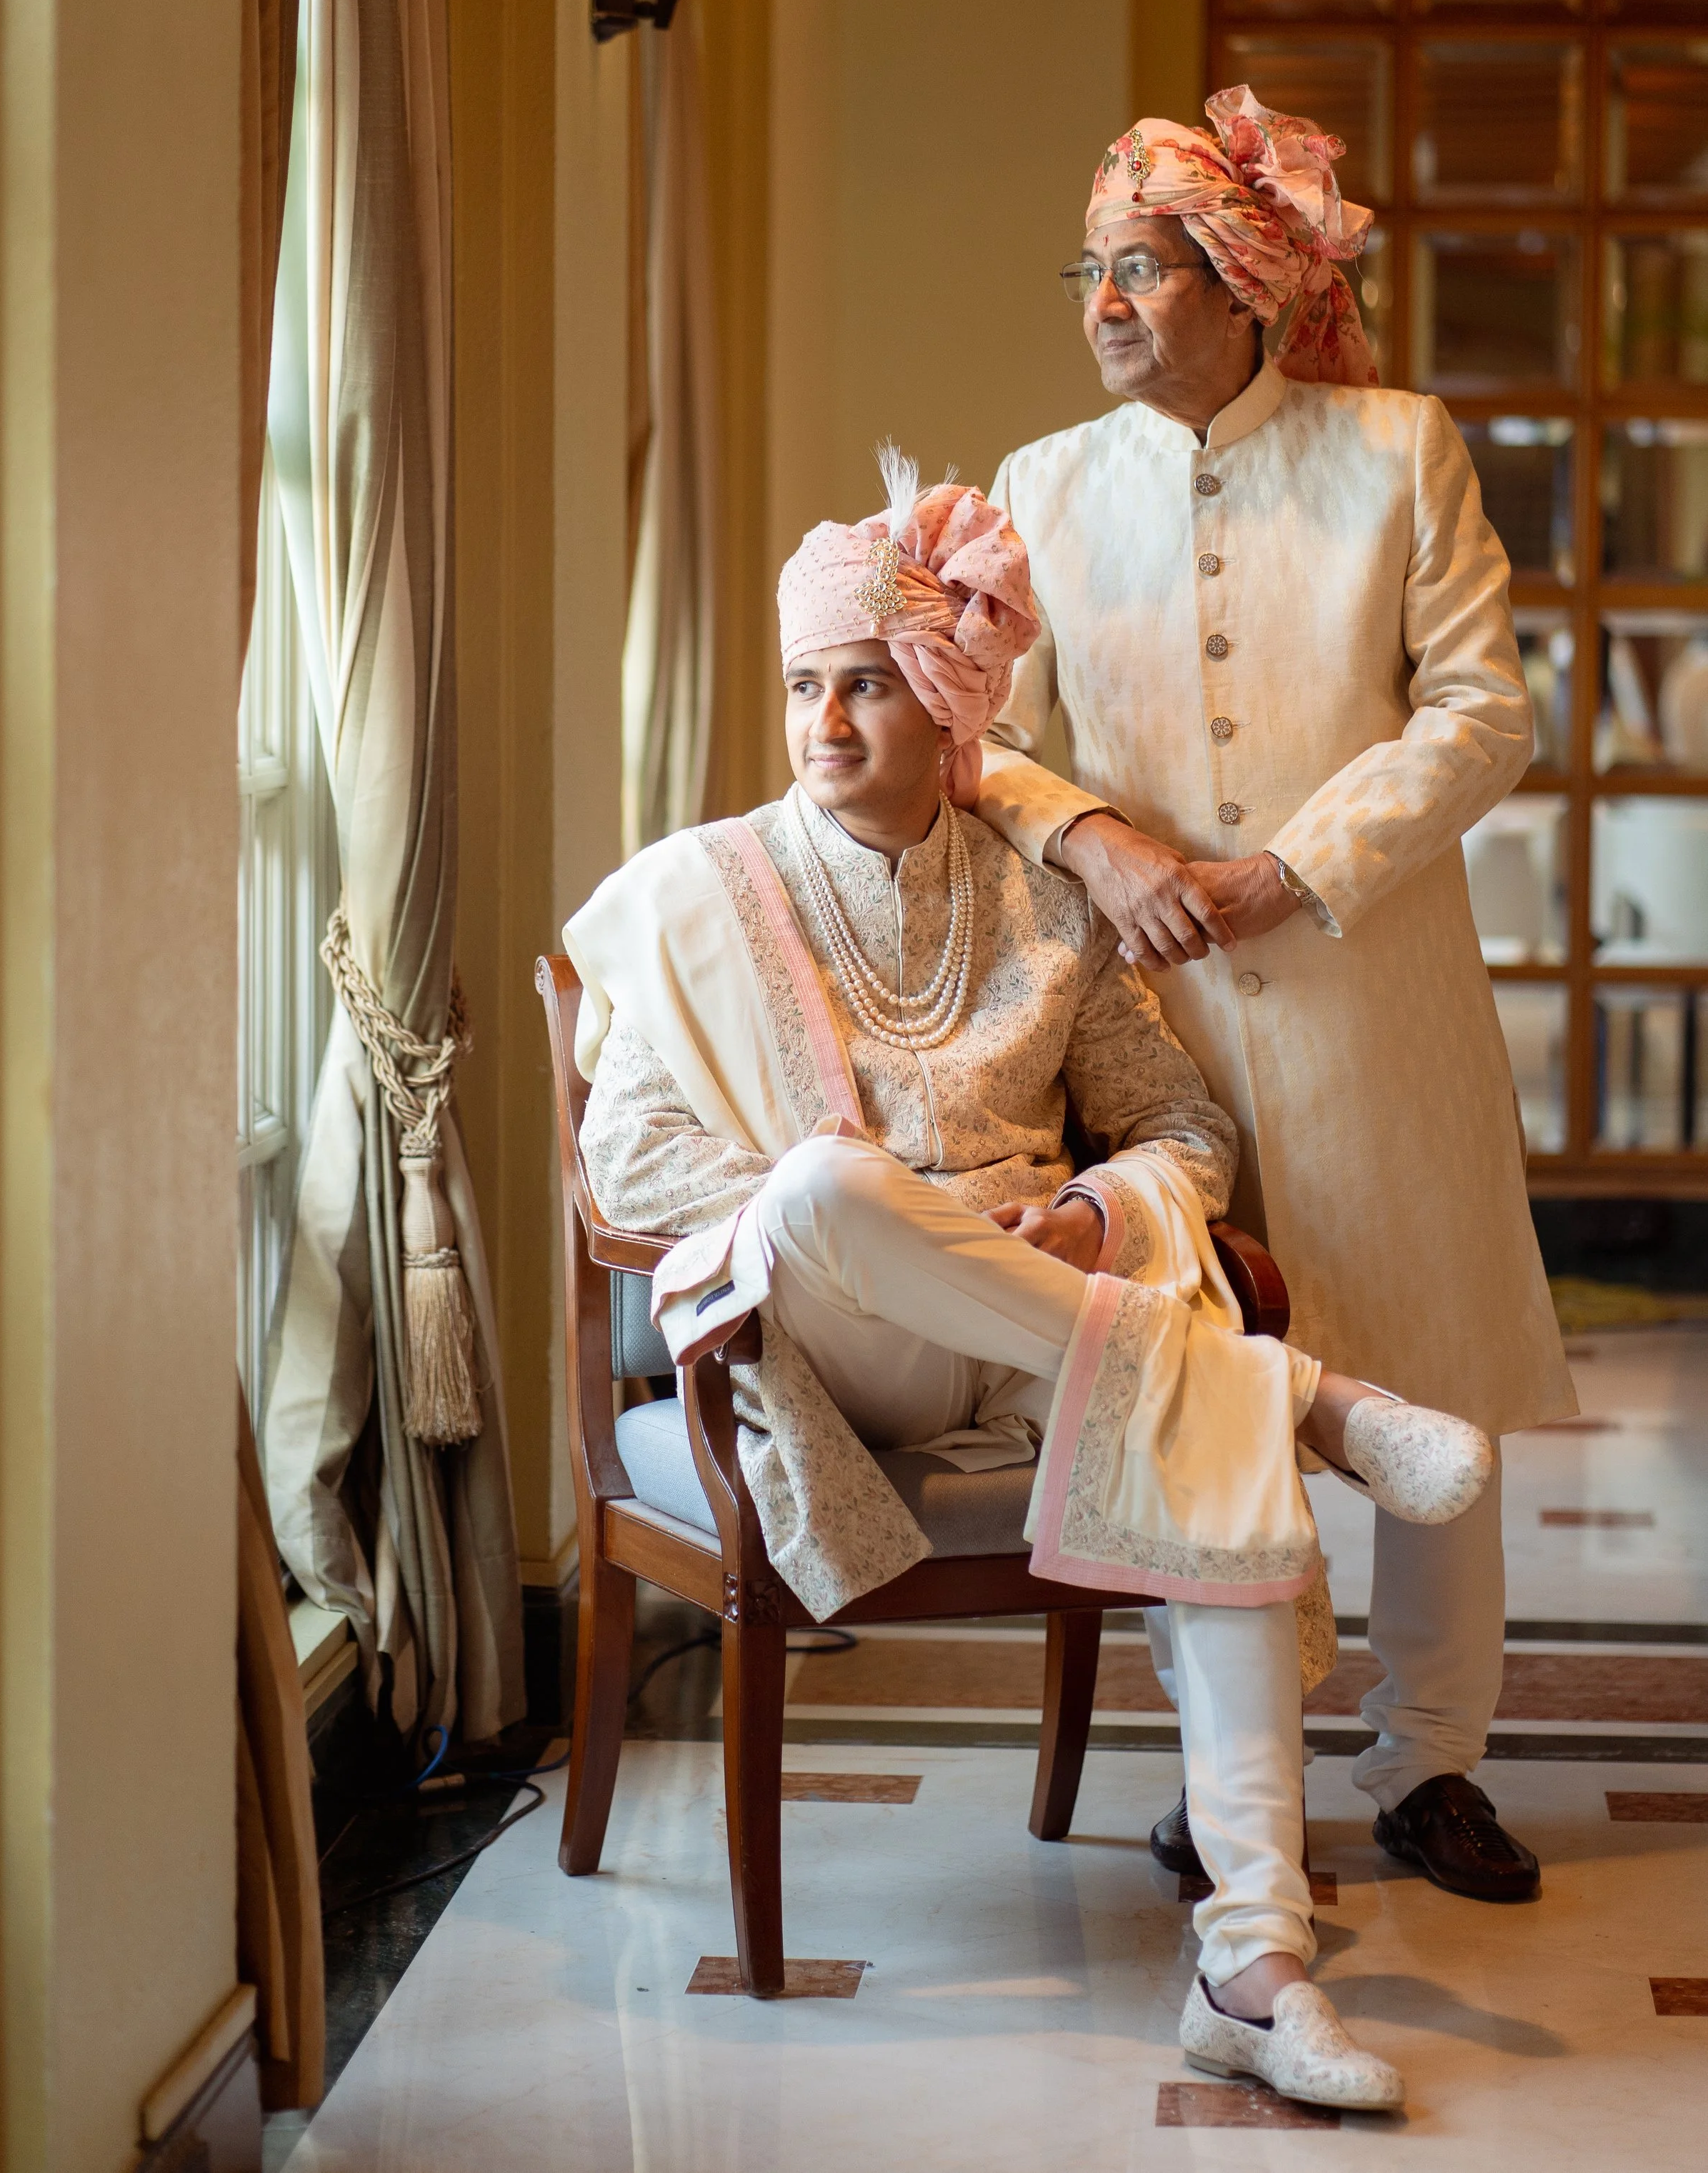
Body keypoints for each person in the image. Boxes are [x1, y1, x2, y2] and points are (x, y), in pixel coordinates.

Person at [565, 455, 1499, 2110]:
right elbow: (627, 1172)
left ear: (950, 705)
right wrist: (893, 1216)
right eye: (802, 684)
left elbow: (1183, 1131)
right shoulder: (696, 894)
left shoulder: (1043, 907)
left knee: (1185, 1417)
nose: (823, 721)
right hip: (826, 1343)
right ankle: (1295, 1398)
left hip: (1029, 1335)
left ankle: (1253, 1966)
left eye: (865, 684)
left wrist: (1086, 1209)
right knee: (832, 1185)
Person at [974, 87, 1577, 1907]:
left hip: (1376, 1001)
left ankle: (1429, 1764)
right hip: (1149, 1031)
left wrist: (1291, 869)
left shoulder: (1394, 450)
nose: (1101, 303)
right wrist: (1096, 841)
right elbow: (981, 742)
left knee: (1427, 1372)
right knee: (1203, 1382)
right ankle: (1231, 1775)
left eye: (1139, 268)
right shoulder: (1039, 486)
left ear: (1241, 283)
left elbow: (1484, 709)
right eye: (1086, 271)